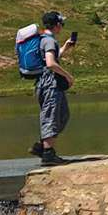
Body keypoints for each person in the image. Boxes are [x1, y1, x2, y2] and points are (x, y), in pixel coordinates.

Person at [27, 12, 76, 166]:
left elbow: (50, 58)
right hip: (50, 85)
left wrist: (64, 48)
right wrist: (68, 76)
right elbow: (50, 63)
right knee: (51, 116)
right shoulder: (48, 41)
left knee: (62, 115)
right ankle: (48, 154)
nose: (62, 26)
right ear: (57, 25)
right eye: (61, 23)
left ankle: (42, 147)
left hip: (46, 84)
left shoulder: (45, 40)